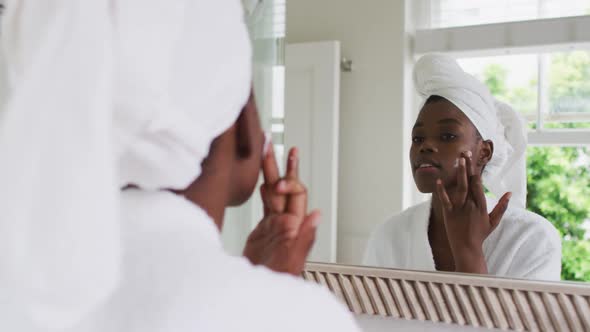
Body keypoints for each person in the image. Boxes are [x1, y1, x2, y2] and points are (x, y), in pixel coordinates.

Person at [0, 1, 360, 331]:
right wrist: (268, 297)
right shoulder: (299, 319)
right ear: (245, 131)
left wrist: (255, 281)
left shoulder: (22, 281)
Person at [363, 54, 561, 281]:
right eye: (417, 138)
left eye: (447, 136)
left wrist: (468, 249)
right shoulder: (389, 235)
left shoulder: (531, 238)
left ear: (484, 152)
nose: (425, 146)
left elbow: (514, 318)